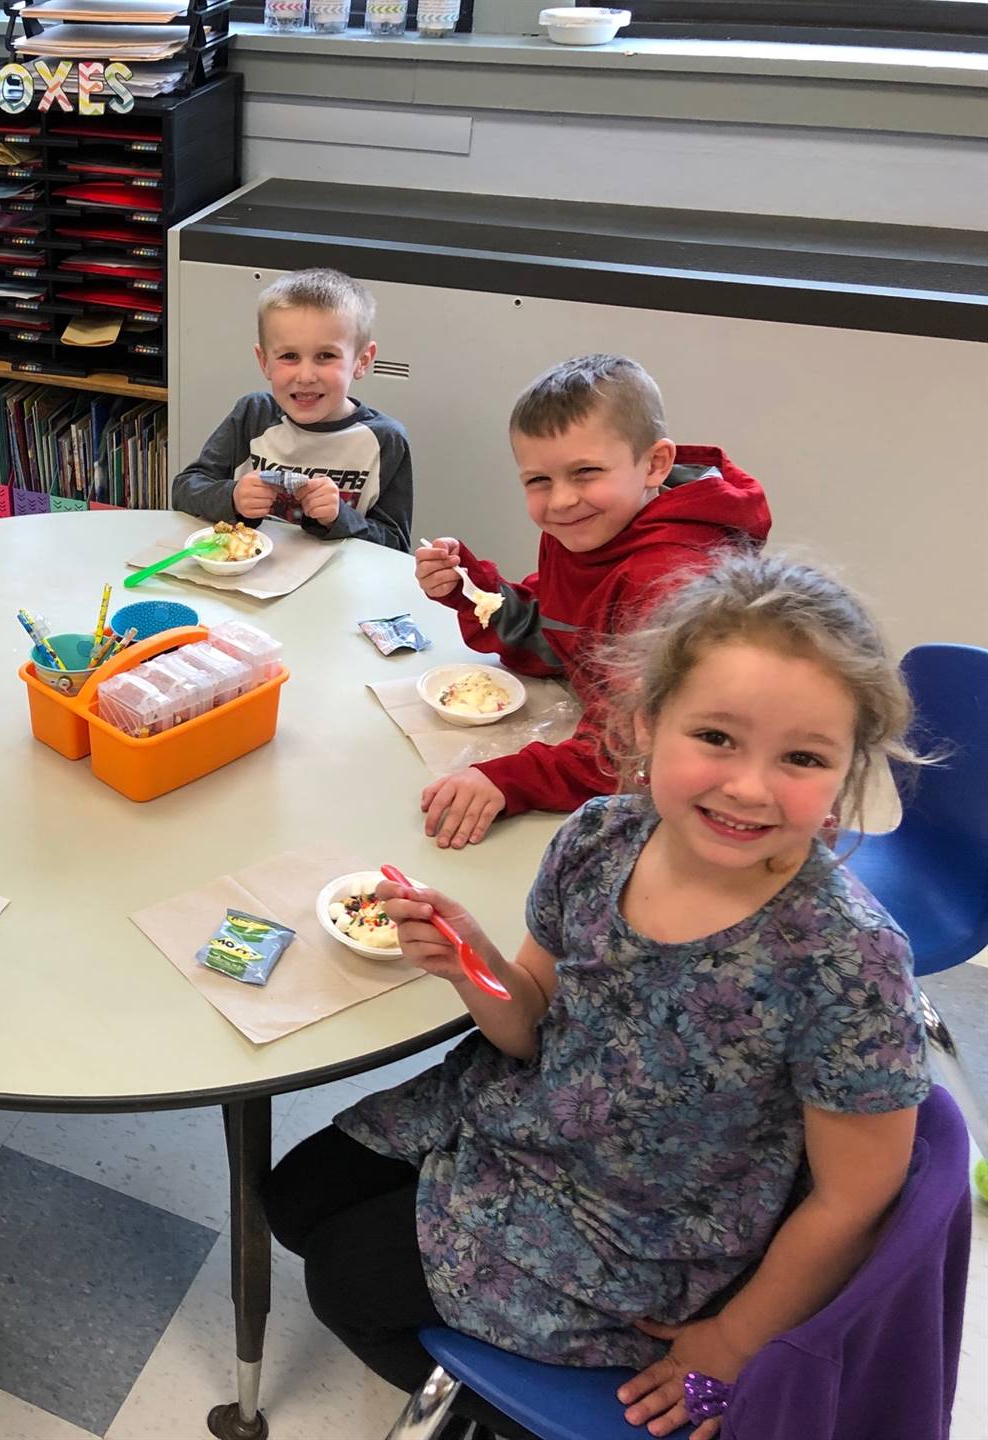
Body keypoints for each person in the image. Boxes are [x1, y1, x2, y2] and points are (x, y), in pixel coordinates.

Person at [267, 550, 929, 1440]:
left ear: (849, 774)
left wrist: (732, 1341)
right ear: (649, 725)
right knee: (297, 1197)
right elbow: (529, 1024)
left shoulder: (847, 960)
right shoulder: (600, 837)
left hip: (646, 1223)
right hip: (531, 1109)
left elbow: (856, 1198)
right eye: (716, 737)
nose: (746, 786)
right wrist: (472, 962)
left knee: (343, 1277)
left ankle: (508, 1421)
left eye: (803, 757)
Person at [415, 353, 770, 848]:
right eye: (539, 480)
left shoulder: (669, 581)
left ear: (655, 464)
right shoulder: (589, 526)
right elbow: (558, 633)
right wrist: (473, 591)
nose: (560, 500)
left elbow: (638, 752)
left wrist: (510, 780)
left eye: (585, 472)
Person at [171, 267, 412, 551]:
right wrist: (232, 497)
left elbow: (396, 547)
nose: (306, 376)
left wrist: (339, 516)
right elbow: (184, 490)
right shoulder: (253, 414)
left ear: (362, 360)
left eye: (326, 355)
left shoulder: (386, 440)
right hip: (245, 582)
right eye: (289, 356)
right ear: (264, 361)